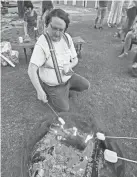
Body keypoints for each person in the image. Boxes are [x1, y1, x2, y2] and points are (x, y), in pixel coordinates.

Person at [28, 9, 90, 112]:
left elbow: (75, 59)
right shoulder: (42, 44)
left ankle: (66, 90)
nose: (57, 34)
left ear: (65, 29)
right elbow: (31, 69)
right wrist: (39, 91)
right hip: (54, 85)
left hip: (68, 77)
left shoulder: (67, 38)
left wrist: (70, 65)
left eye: (61, 30)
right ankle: (48, 90)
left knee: (86, 85)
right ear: (47, 25)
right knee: (64, 109)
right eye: (54, 28)